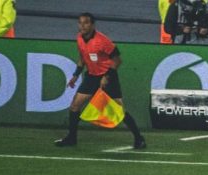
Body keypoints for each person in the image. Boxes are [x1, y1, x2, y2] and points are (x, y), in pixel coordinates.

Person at [54, 13, 146, 149]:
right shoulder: (79, 38)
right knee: (75, 106)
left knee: (119, 110)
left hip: (108, 78)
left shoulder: (103, 41)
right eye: (80, 23)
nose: (82, 26)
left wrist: (106, 77)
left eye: (86, 23)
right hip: (91, 77)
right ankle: (72, 138)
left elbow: (117, 60)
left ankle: (139, 139)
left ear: (92, 25)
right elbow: (82, 58)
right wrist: (75, 75)